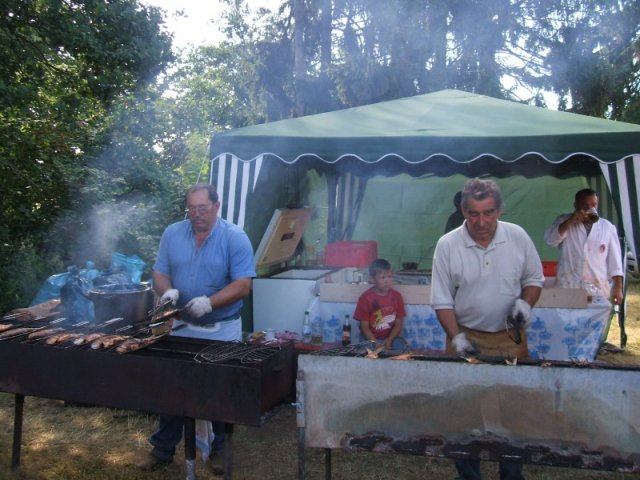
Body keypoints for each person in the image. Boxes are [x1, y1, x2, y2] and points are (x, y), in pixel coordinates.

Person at [136, 183, 256, 473]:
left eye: (203, 208)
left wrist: (209, 303)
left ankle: (219, 451)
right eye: (191, 208)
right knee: (174, 386)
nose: (197, 214)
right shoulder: (172, 233)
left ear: (216, 206)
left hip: (221, 327)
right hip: (180, 324)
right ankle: (163, 449)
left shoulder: (234, 238)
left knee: (219, 389)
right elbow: (160, 272)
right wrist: (167, 293)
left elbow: (243, 285)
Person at [431, 178, 544, 480]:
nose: (481, 222)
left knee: (512, 411)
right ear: (462, 210)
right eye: (473, 214)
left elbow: (534, 278)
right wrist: (456, 337)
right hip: (466, 334)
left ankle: (511, 474)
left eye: (488, 213)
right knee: (464, 412)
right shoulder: (447, 245)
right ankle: (469, 476)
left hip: (509, 336)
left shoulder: (517, 236)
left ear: (499, 210)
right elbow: (441, 299)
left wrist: (526, 304)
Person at [543, 188, 623, 348]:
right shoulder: (564, 221)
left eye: (593, 205)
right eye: (585, 206)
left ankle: (588, 359)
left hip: (596, 288)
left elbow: (615, 262)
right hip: (569, 286)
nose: (590, 209)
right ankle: (565, 359)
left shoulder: (607, 227)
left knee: (590, 332)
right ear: (576, 205)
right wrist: (572, 220)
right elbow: (550, 240)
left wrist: (618, 287)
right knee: (567, 329)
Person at [354, 258, 408, 352]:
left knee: (401, 346)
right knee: (364, 350)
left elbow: (398, 324)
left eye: (389, 276)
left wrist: (390, 340)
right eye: (383, 277)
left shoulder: (397, 296)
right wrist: (376, 343)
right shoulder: (365, 298)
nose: (387, 281)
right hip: (369, 339)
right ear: (372, 279)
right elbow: (364, 327)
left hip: (389, 338)